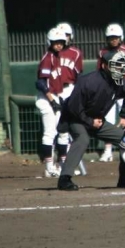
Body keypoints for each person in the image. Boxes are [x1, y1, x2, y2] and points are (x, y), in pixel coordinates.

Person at [56, 50, 125, 191]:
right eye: (116, 66)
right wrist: (90, 121)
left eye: (122, 66)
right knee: (82, 139)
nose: (119, 69)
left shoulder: (121, 83)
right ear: (105, 66)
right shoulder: (89, 81)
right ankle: (64, 179)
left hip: (98, 121)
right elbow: (73, 107)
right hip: (76, 118)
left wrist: (124, 115)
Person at [98, 23, 125, 162]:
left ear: (121, 37)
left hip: (122, 87)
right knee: (107, 120)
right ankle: (108, 151)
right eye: (110, 37)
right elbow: (100, 70)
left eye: (115, 37)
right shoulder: (103, 52)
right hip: (109, 88)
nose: (113, 40)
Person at [35, 27, 68, 178]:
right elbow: (40, 83)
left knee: (61, 131)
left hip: (55, 97)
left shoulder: (57, 56)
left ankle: (59, 165)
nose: (59, 44)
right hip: (47, 98)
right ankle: (49, 167)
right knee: (50, 133)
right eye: (56, 42)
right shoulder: (48, 58)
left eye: (61, 42)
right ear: (50, 42)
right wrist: (52, 100)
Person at [54, 22, 84, 170]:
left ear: (70, 36)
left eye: (66, 35)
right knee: (58, 129)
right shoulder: (50, 54)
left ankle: (67, 162)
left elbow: (78, 75)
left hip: (70, 89)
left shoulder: (75, 53)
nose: (63, 37)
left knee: (73, 127)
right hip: (55, 91)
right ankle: (58, 163)